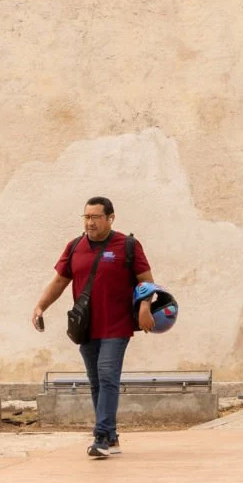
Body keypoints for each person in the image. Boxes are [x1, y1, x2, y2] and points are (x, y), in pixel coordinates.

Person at [31, 196, 155, 460]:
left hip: (117, 325)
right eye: (86, 217)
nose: (90, 222)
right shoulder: (75, 247)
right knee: (97, 381)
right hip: (86, 327)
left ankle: (100, 435)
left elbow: (146, 282)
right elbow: (60, 281)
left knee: (107, 376)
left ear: (110, 218)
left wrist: (145, 307)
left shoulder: (128, 245)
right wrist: (40, 306)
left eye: (95, 217)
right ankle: (111, 436)